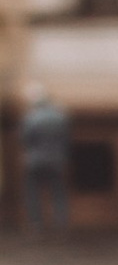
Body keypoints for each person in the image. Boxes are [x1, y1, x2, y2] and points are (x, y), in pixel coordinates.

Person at [18, 84, 70, 236]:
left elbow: (25, 139)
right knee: (58, 192)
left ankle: (36, 225)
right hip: (57, 160)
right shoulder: (60, 116)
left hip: (34, 160)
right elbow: (65, 139)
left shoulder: (30, 117)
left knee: (32, 192)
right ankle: (61, 224)